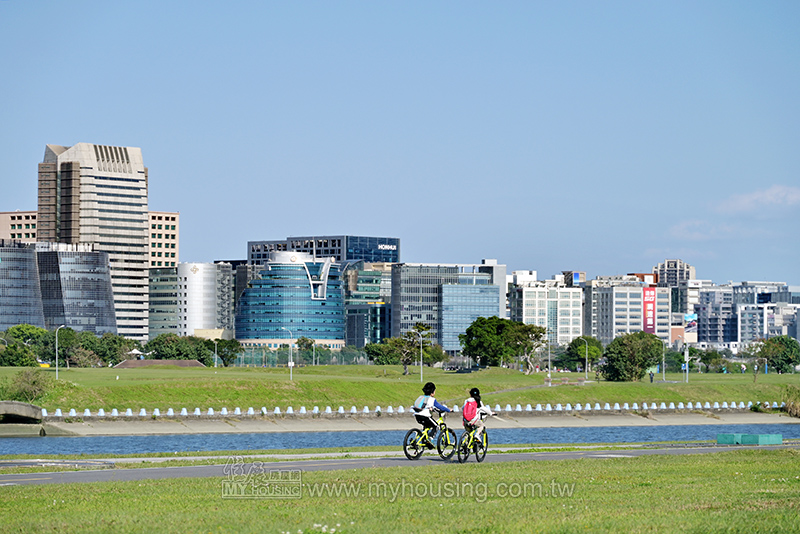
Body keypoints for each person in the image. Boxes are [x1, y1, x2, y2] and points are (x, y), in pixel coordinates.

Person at [412, 382, 451, 448]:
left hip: (417, 415)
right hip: (425, 416)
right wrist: (449, 410)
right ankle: (430, 438)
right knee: (436, 426)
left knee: (426, 427)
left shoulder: (420, 397)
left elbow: (422, 405)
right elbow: (440, 407)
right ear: (432, 392)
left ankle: (424, 440)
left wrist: (430, 408)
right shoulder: (432, 399)